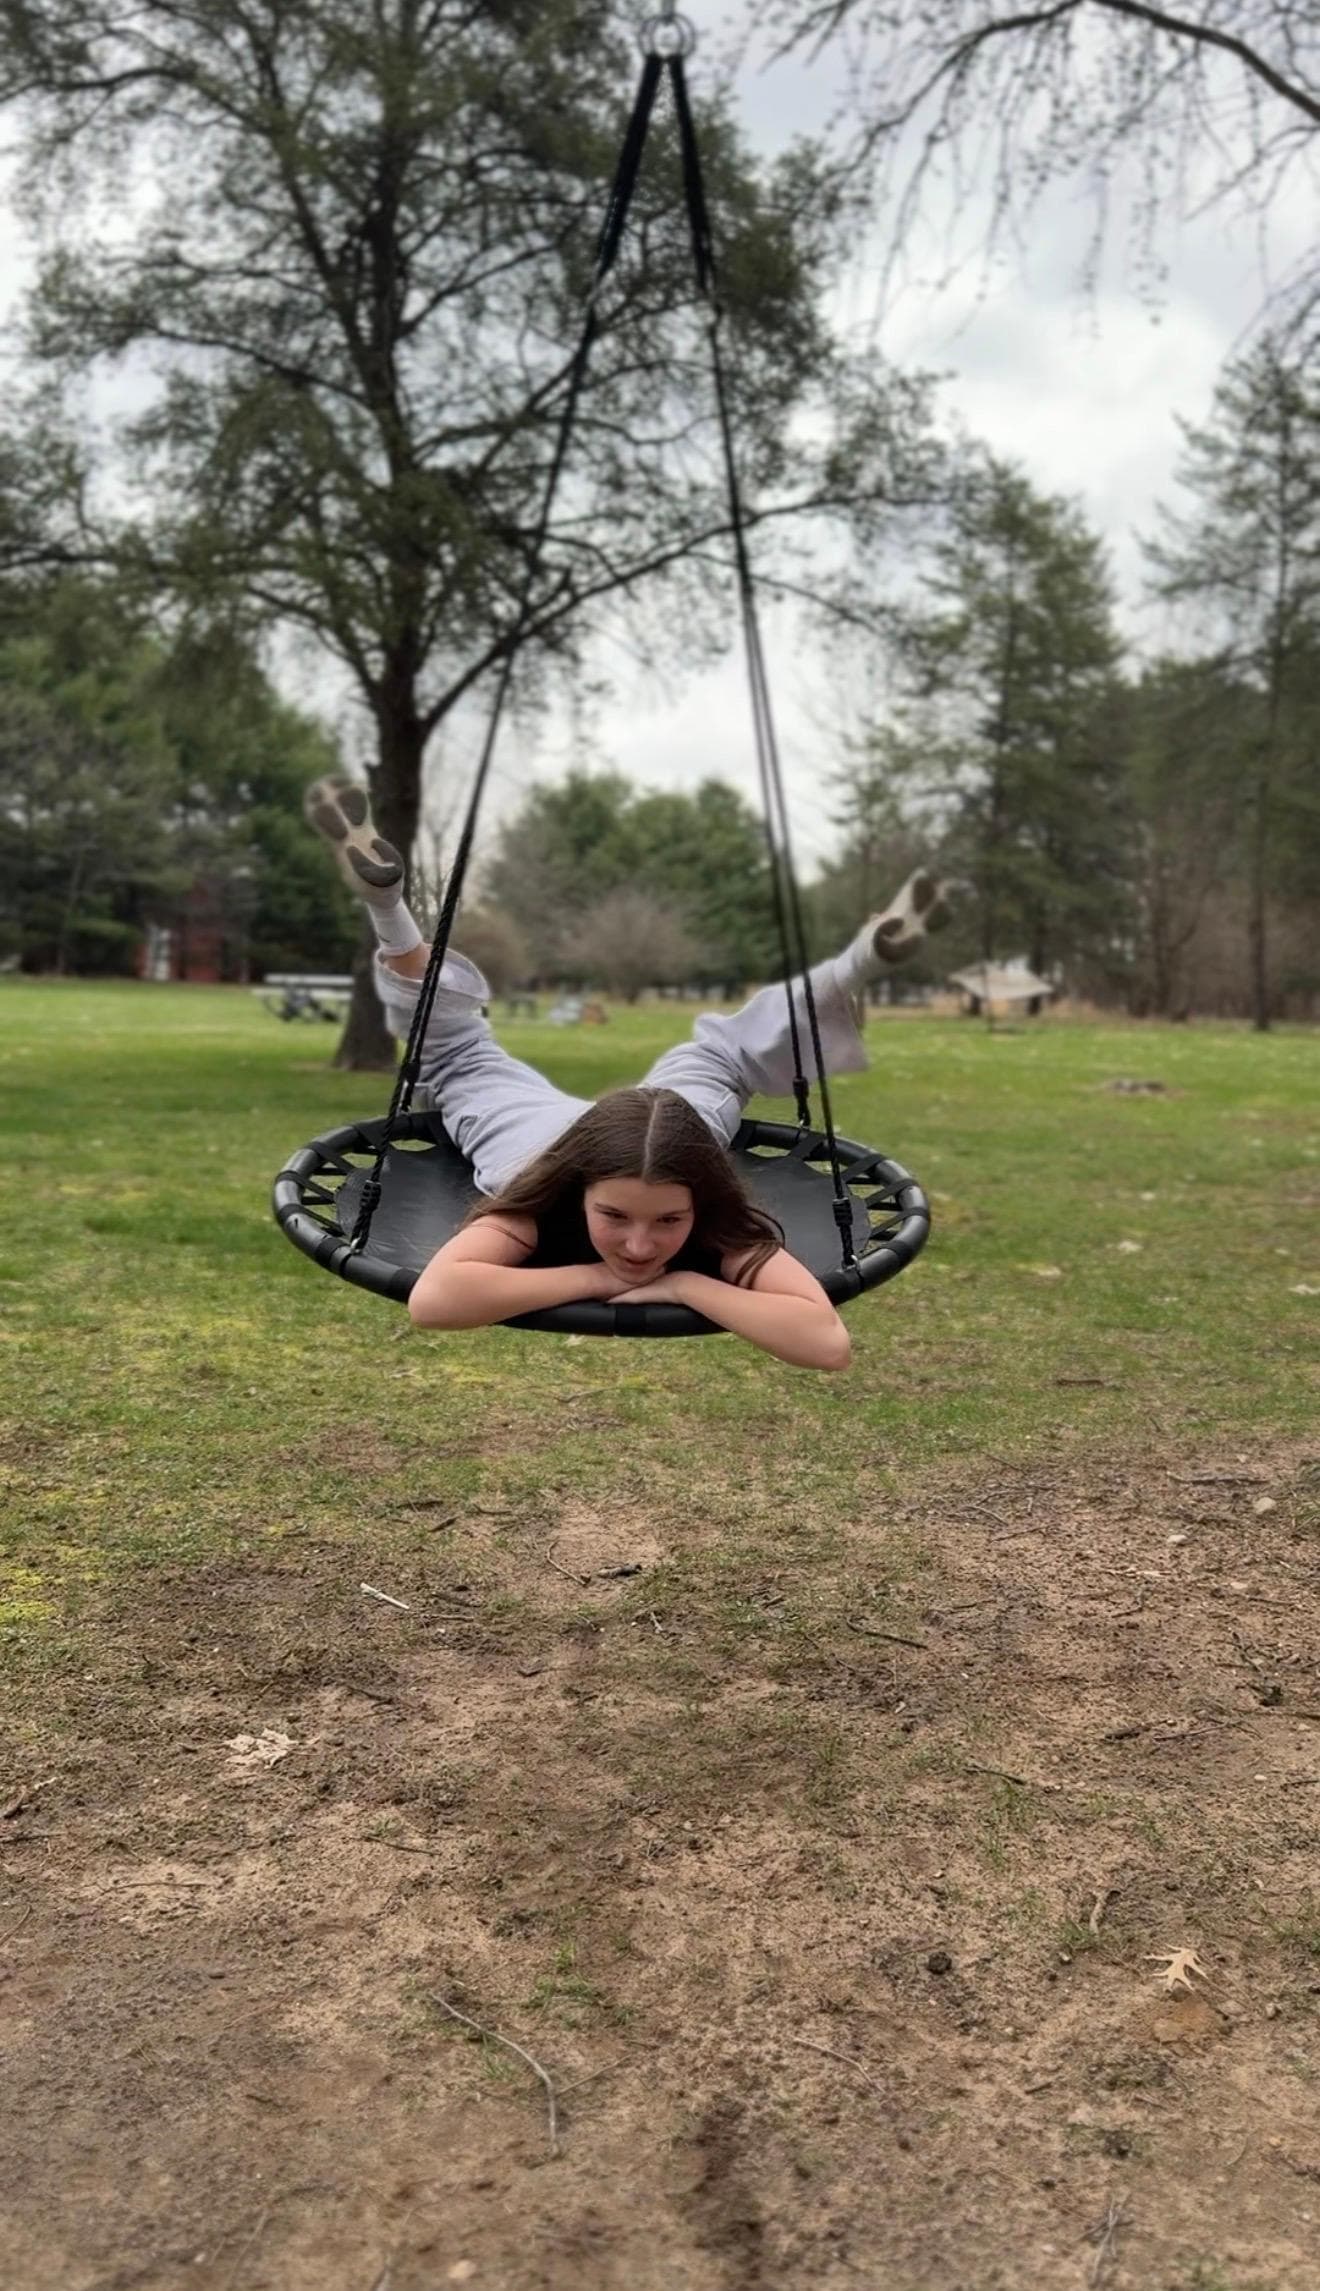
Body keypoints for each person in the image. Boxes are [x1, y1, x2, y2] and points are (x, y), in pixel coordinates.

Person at [305, 776, 955, 1372]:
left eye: (669, 1221)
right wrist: (597, 1277)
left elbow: (828, 1344)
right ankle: (852, 964)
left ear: (699, 1196)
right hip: (541, 1142)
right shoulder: (537, 1190)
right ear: (578, 1190)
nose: (640, 1246)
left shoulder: (709, 1219)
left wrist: (684, 1282)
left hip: (660, 1119)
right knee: (719, 1057)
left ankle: (391, 911)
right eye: (613, 1215)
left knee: (461, 1054)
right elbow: (436, 1299)